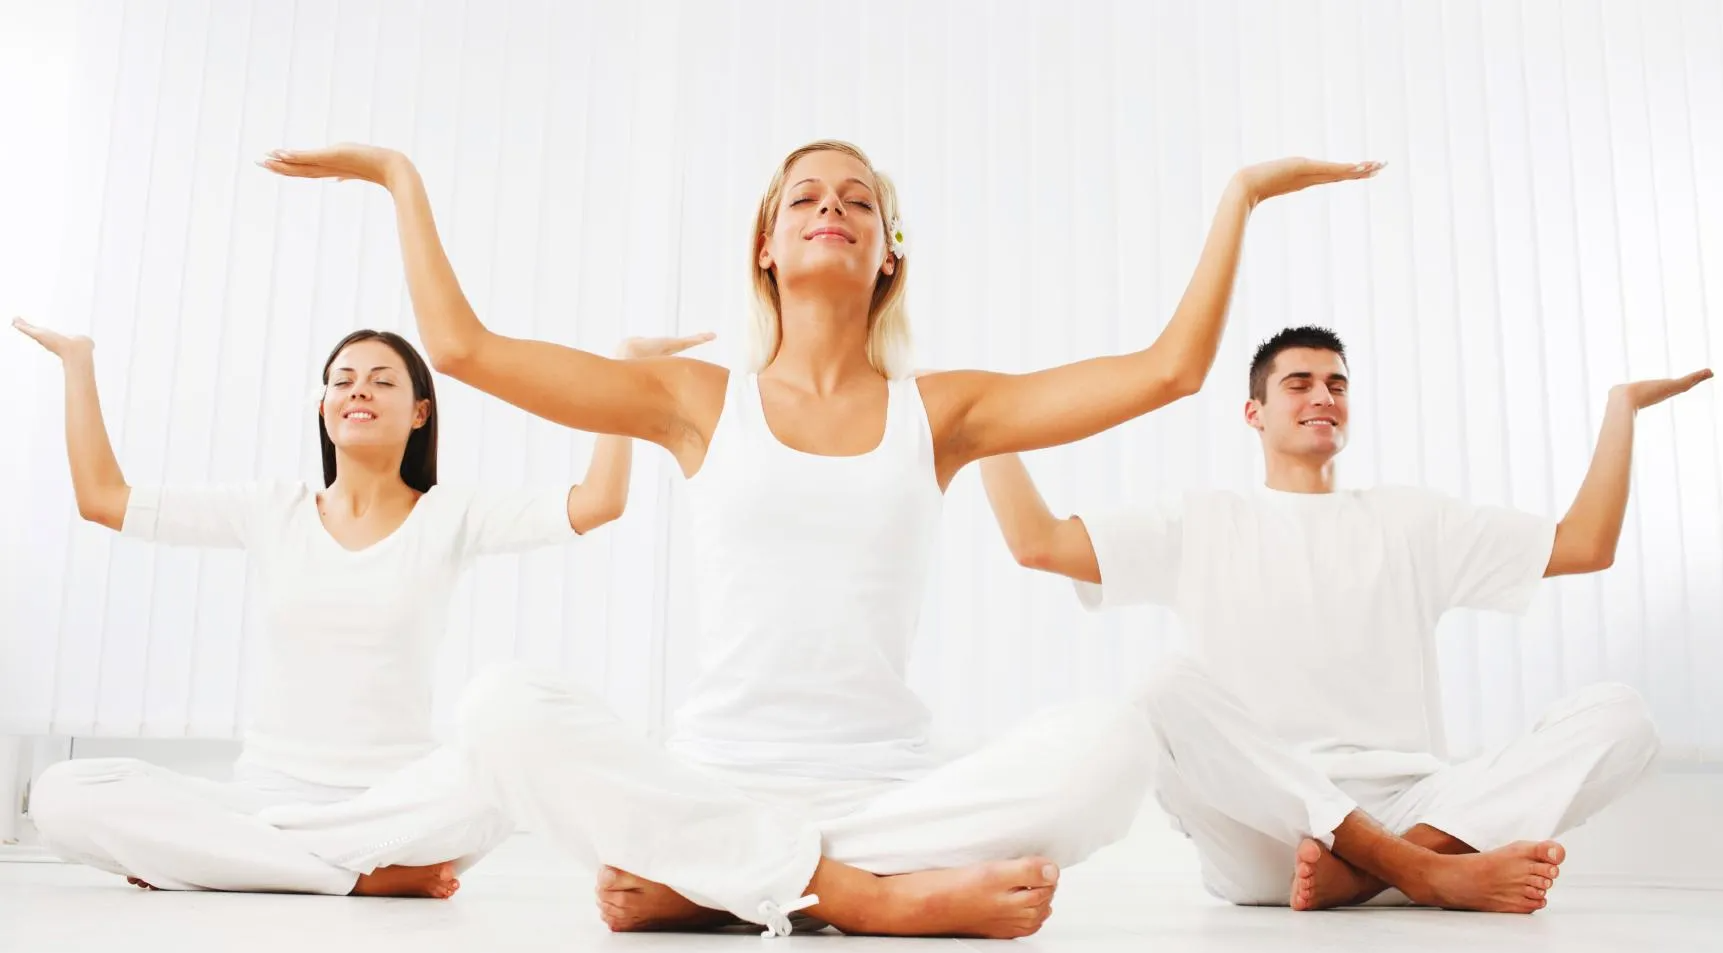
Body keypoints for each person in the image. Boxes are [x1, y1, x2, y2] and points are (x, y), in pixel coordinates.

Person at [261, 140, 1379, 937]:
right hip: (716, 776)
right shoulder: (698, 398)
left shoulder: (941, 409)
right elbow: (459, 349)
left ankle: (728, 887)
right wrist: (398, 177)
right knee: (500, 706)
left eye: (856, 198)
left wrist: (1238, 196)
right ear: (766, 243)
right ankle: (851, 898)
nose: (830, 207)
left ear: (890, 248)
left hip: (892, 795)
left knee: (1116, 743)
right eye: (804, 196)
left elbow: (1168, 371)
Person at [978, 324, 1709, 913]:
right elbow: (1037, 542)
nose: (1321, 394)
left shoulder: (1410, 519)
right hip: (1266, 828)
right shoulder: (1202, 521)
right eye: (1297, 382)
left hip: (1416, 804)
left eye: (1336, 382)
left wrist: (1622, 408)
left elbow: (1584, 544)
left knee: (1622, 719)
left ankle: (1372, 872)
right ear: (1253, 411)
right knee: (1164, 689)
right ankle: (1418, 873)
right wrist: (986, 418)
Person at [16, 317, 709, 897]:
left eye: (382, 381)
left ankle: (240, 862)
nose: (358, 392)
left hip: (399, 807)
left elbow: (597, 501)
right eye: (342, 380)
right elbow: (104, 499)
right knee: (61, 794)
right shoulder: (270, 509)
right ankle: (355, 881)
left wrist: (624, 374)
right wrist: (79, 364)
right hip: (265, 797)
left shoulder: (451, 515)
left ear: (418, 412)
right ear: (323, 407)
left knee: (505, 772)